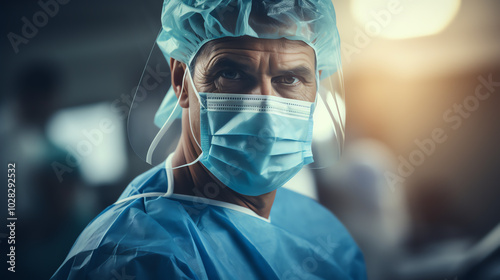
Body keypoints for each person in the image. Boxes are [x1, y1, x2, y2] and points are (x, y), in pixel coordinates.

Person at [52, 0, 367, 279]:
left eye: (290, 78)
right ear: (181, 80)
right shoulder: (137, 259)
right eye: (231, 74)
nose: (265, 111)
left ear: (317, 84)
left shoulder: (322, 233)